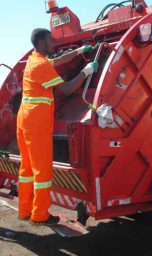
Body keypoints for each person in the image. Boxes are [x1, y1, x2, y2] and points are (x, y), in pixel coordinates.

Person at [17, 28, 98, 226]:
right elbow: (68, 89)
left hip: (25, 119)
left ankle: (25, 210)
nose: (54, 44)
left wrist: (80, 51)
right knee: (42, 171)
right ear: (42, 42)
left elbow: (58, 60)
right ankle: (40, 216)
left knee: (26, 169)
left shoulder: (34, 60)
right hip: (37, 123)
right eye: (51, 41)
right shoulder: (41, 65)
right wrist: (86, 72)